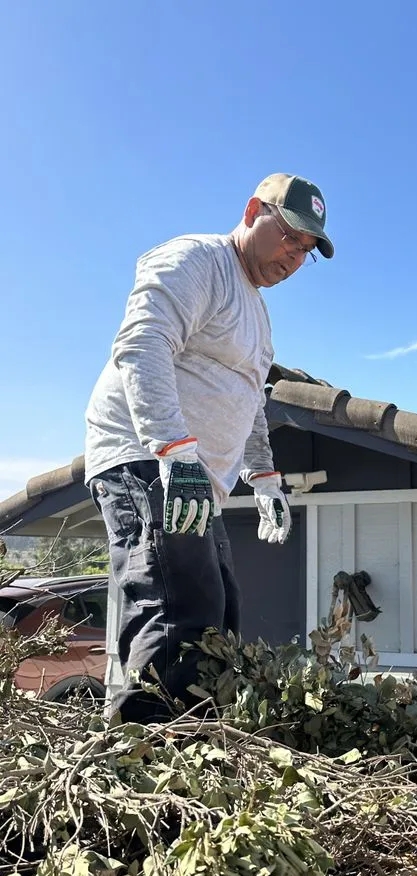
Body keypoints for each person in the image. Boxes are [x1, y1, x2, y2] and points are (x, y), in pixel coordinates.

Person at [84, 173, 334, 723]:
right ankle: (145, 762)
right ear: (252, 211)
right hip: (147, 459)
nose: (295, 257)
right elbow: (142, 341)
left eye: (307, 250)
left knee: (218, 614)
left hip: (194, 479)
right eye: (290, 236)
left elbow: (247, 399)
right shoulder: (199, 260)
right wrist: (174, 448)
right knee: (178, 614)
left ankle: (188, 750)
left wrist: (264, 478)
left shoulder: (258, 316)